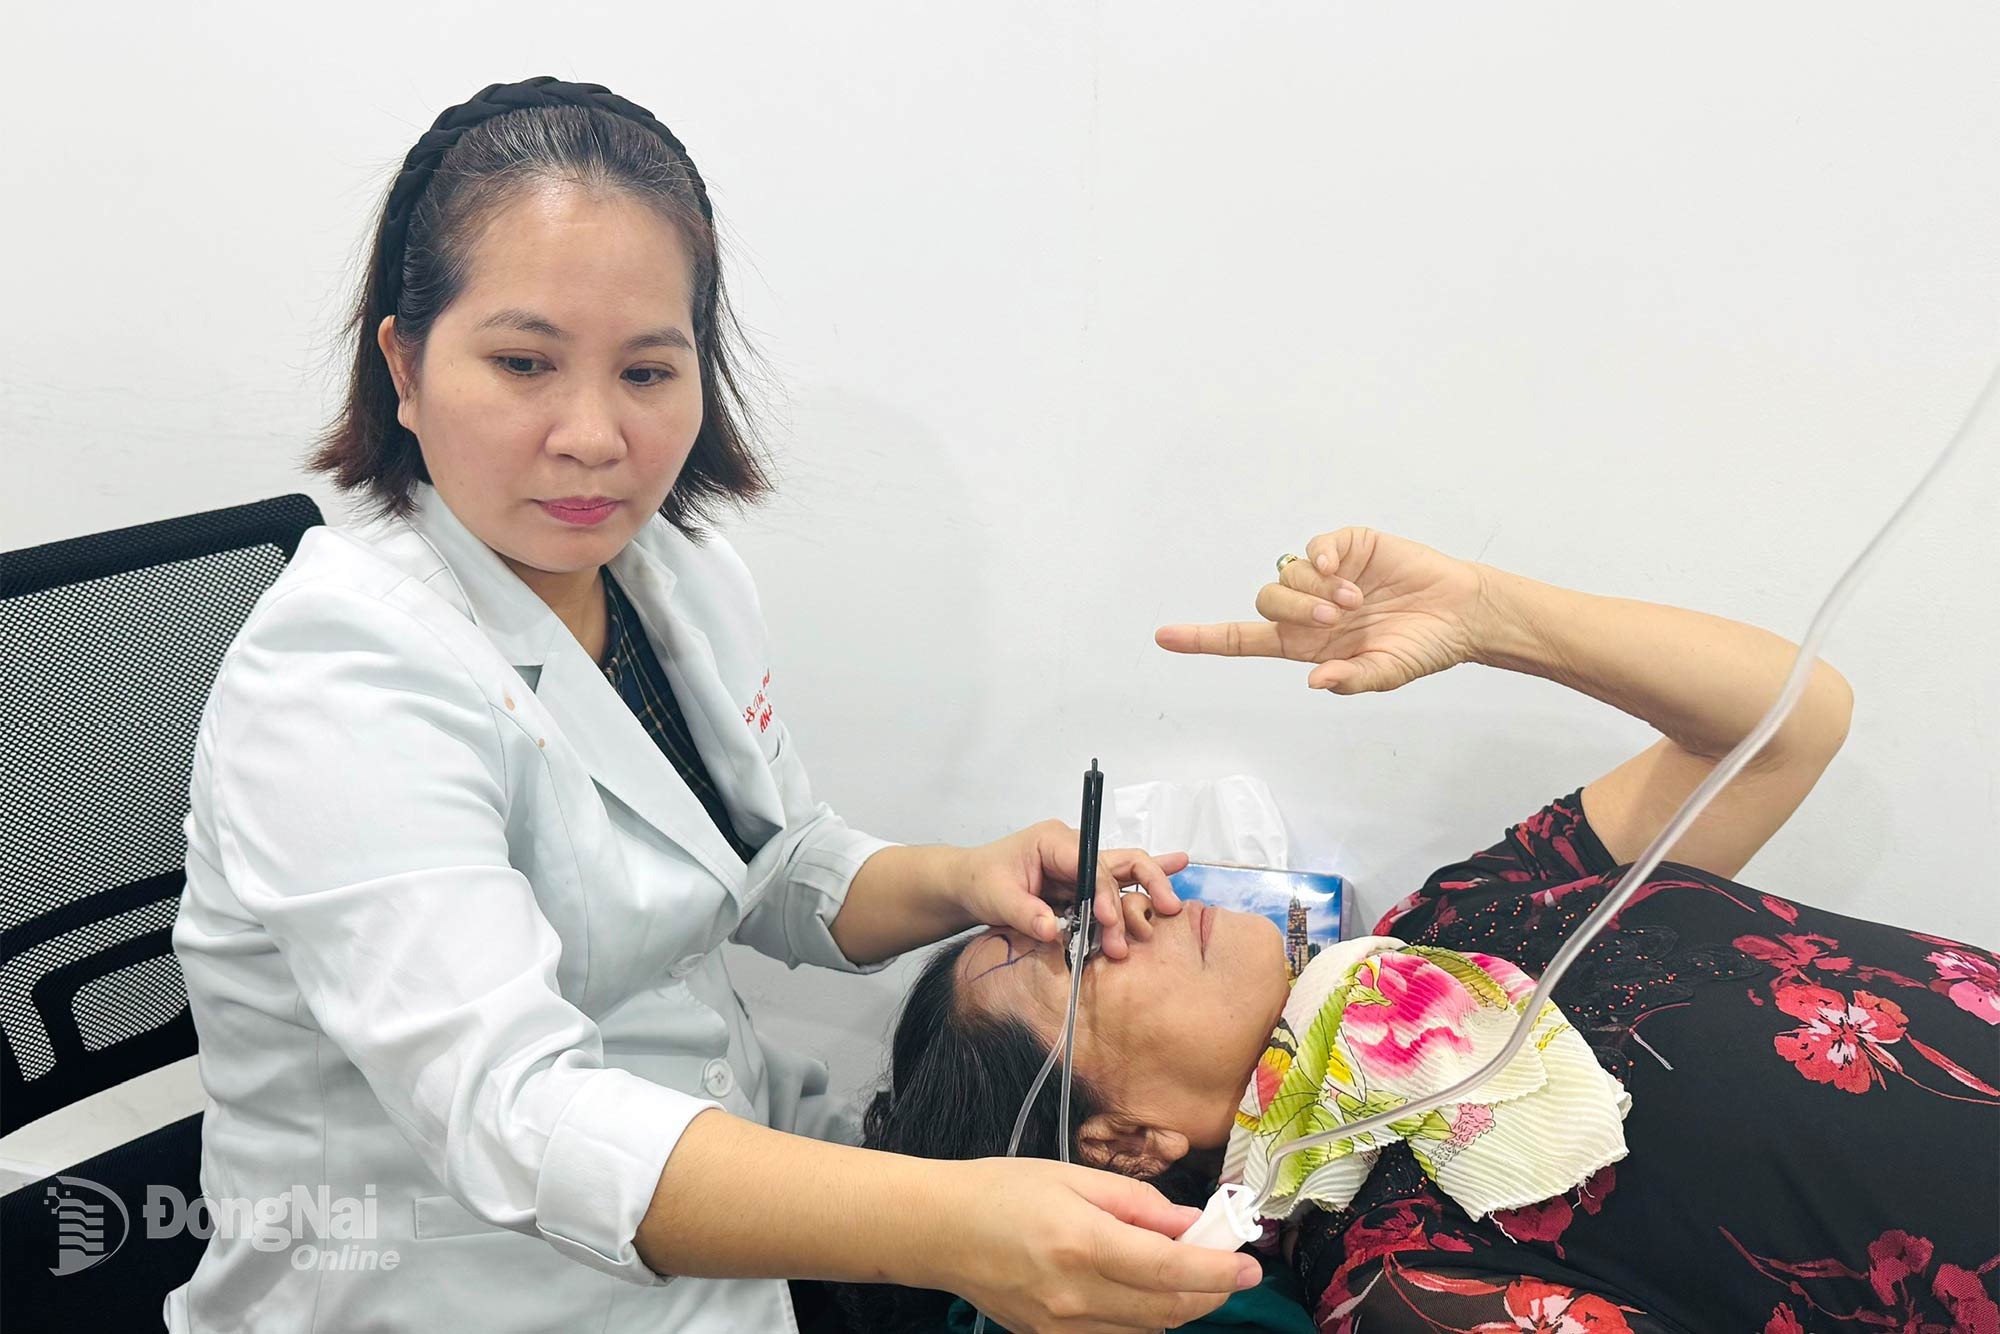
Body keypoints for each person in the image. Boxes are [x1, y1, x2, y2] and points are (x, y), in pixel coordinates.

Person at [167, 77, 1263, 1334]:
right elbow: (516, 1118)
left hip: (703, 1220)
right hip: (432, 1284)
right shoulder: (338, 677)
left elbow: (771, 857)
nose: (593, 434)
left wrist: (964, 878)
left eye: (648, 369)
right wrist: (949, 1221)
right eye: (523, 362)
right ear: (405, 366)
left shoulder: (669, 575)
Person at [841, 527, 2000, 1333]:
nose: (1124, 903)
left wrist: (1492, 615)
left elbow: (1788, 723)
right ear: (1124, 1142)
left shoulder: (1456, 918)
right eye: (1077, 950)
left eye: (1087, 898)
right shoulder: (1404, 1273)